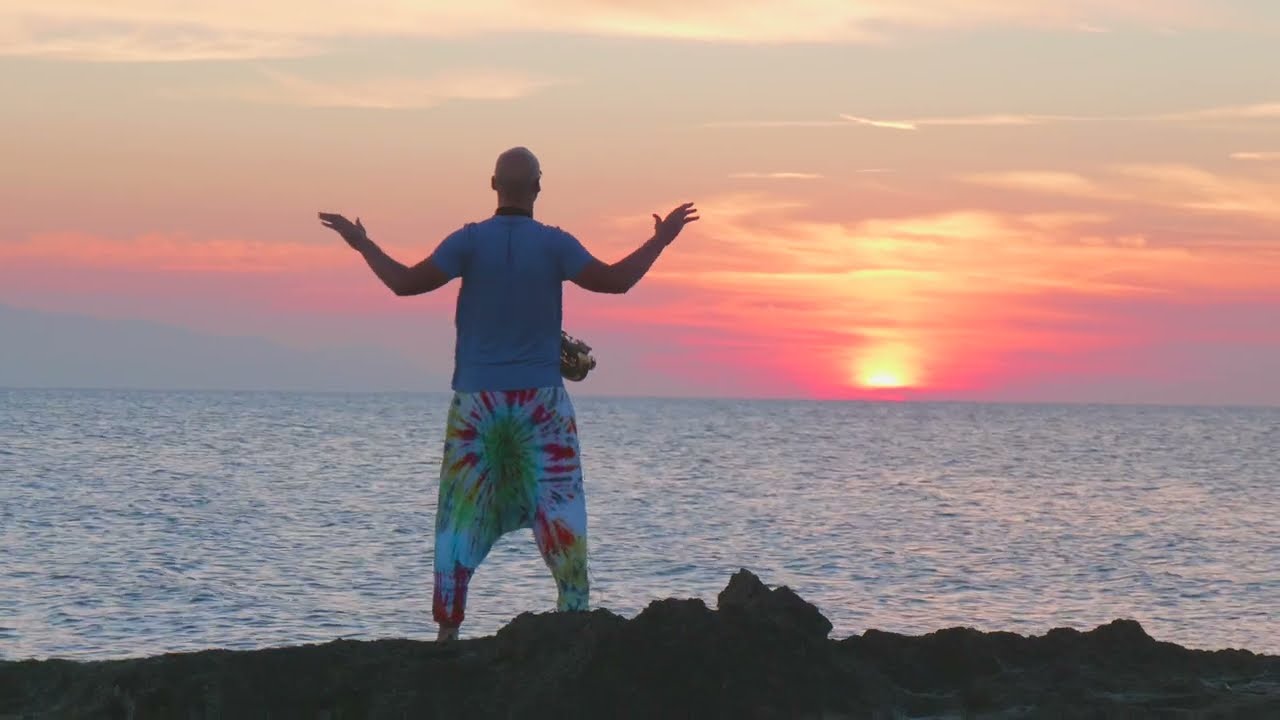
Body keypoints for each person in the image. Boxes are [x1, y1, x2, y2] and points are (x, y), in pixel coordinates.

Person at [318, 146, 698, 641]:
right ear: (538, 187)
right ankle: (574, 622)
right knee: (561, 510)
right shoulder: (555, 244)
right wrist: (661, 239)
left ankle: (448, 633)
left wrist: (362, 244)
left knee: (459, 515)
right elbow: (616, 281)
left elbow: (405, 284)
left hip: (477, 403)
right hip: (541, 404)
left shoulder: (469, 241)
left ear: (493, 185)